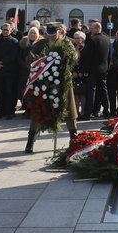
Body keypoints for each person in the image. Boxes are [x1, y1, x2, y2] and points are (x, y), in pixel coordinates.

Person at [23, 23, 77, 153]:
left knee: (70, 111)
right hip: (43, 83)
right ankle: (30, 141)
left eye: (54, 34)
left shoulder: (67, 43)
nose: (51, 37)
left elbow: (74, 58)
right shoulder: (40, 44)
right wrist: (40, 63)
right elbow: (29, 60)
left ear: (60, 32)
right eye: (49, 34)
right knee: (38, 111)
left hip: (63, 83)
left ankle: (74, 139)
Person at [81, 22, 110, 119]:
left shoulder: (92, 39)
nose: (90, 30)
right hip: (103, 69)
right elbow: (108, 56)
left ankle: (88, 113)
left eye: (92, 28)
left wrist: (85, 70)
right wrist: (107, 67)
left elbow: (87, 57)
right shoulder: (107, 39)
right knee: (103, 91)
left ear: (97, 28)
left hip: (92, 70)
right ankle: (106, 111)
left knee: (91, 92)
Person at [0, 23, 20, 119]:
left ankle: (9, 112)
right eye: (3, 29)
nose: (4, 31)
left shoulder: (14, 41)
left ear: (11, 31)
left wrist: (1, 63)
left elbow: (12, 56)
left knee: (9, 92)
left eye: (6, 30)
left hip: (9, 71)